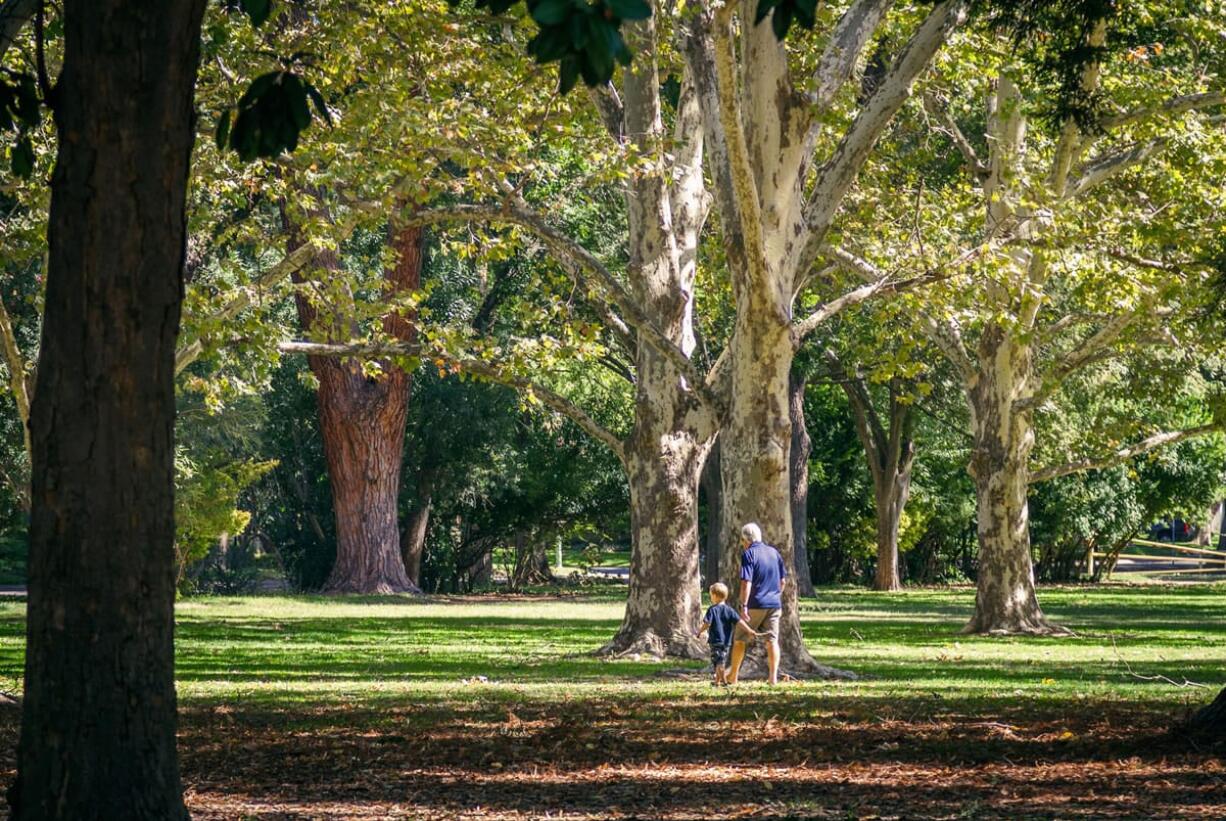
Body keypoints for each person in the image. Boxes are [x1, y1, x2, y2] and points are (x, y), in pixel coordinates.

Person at [727, 522, 787, 685]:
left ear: (746, 540)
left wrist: (744, 605)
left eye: (742, 541)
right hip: (774, 604)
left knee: (739, 638)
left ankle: (733, 676)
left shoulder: (749, 554)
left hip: (755, 604)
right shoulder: (774, 553)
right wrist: (775, 596)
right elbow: (782, 581)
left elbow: (746, 582)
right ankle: (773, 678)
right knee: (772, 640)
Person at [695, 582, 761, 686]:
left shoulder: (712, 610)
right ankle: (717, 682)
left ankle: (724, 682)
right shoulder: (729, 610)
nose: (711, 597)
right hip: (726, 642)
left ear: (715, 596)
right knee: (719, 661)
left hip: (715, 641)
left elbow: (707, 623)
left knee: (718, 662)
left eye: (711, 595)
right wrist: (749, 630)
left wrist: (699, 631)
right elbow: (739, 622)